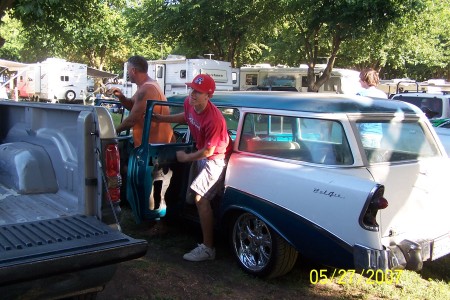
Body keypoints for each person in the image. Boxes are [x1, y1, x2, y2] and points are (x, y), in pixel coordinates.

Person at [153, 74, 231, 261]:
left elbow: (209, 150)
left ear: (208, 96)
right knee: (191, 197)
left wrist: (186, 157)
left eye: (198, 92)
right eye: (192, 89)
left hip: (215, 159)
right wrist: (161, 119)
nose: (193, 94)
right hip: (202, 154)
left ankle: (208, 248)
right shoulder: (190, 103)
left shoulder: (214, 119)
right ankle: (191, 228)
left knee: (200, 198)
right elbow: (186, 116)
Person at [107, 55, 174, 210]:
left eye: (128, 71)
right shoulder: (148, 86)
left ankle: (157, 222)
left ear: (134, 70)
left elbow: (133, 119)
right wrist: (120, 96)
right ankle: (145, 214)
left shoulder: (147, 88)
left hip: (154, 148)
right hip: (151, 146)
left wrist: (111, 131)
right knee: (147, 181)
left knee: (155, 184)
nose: (128, 74)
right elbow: (133, 106)